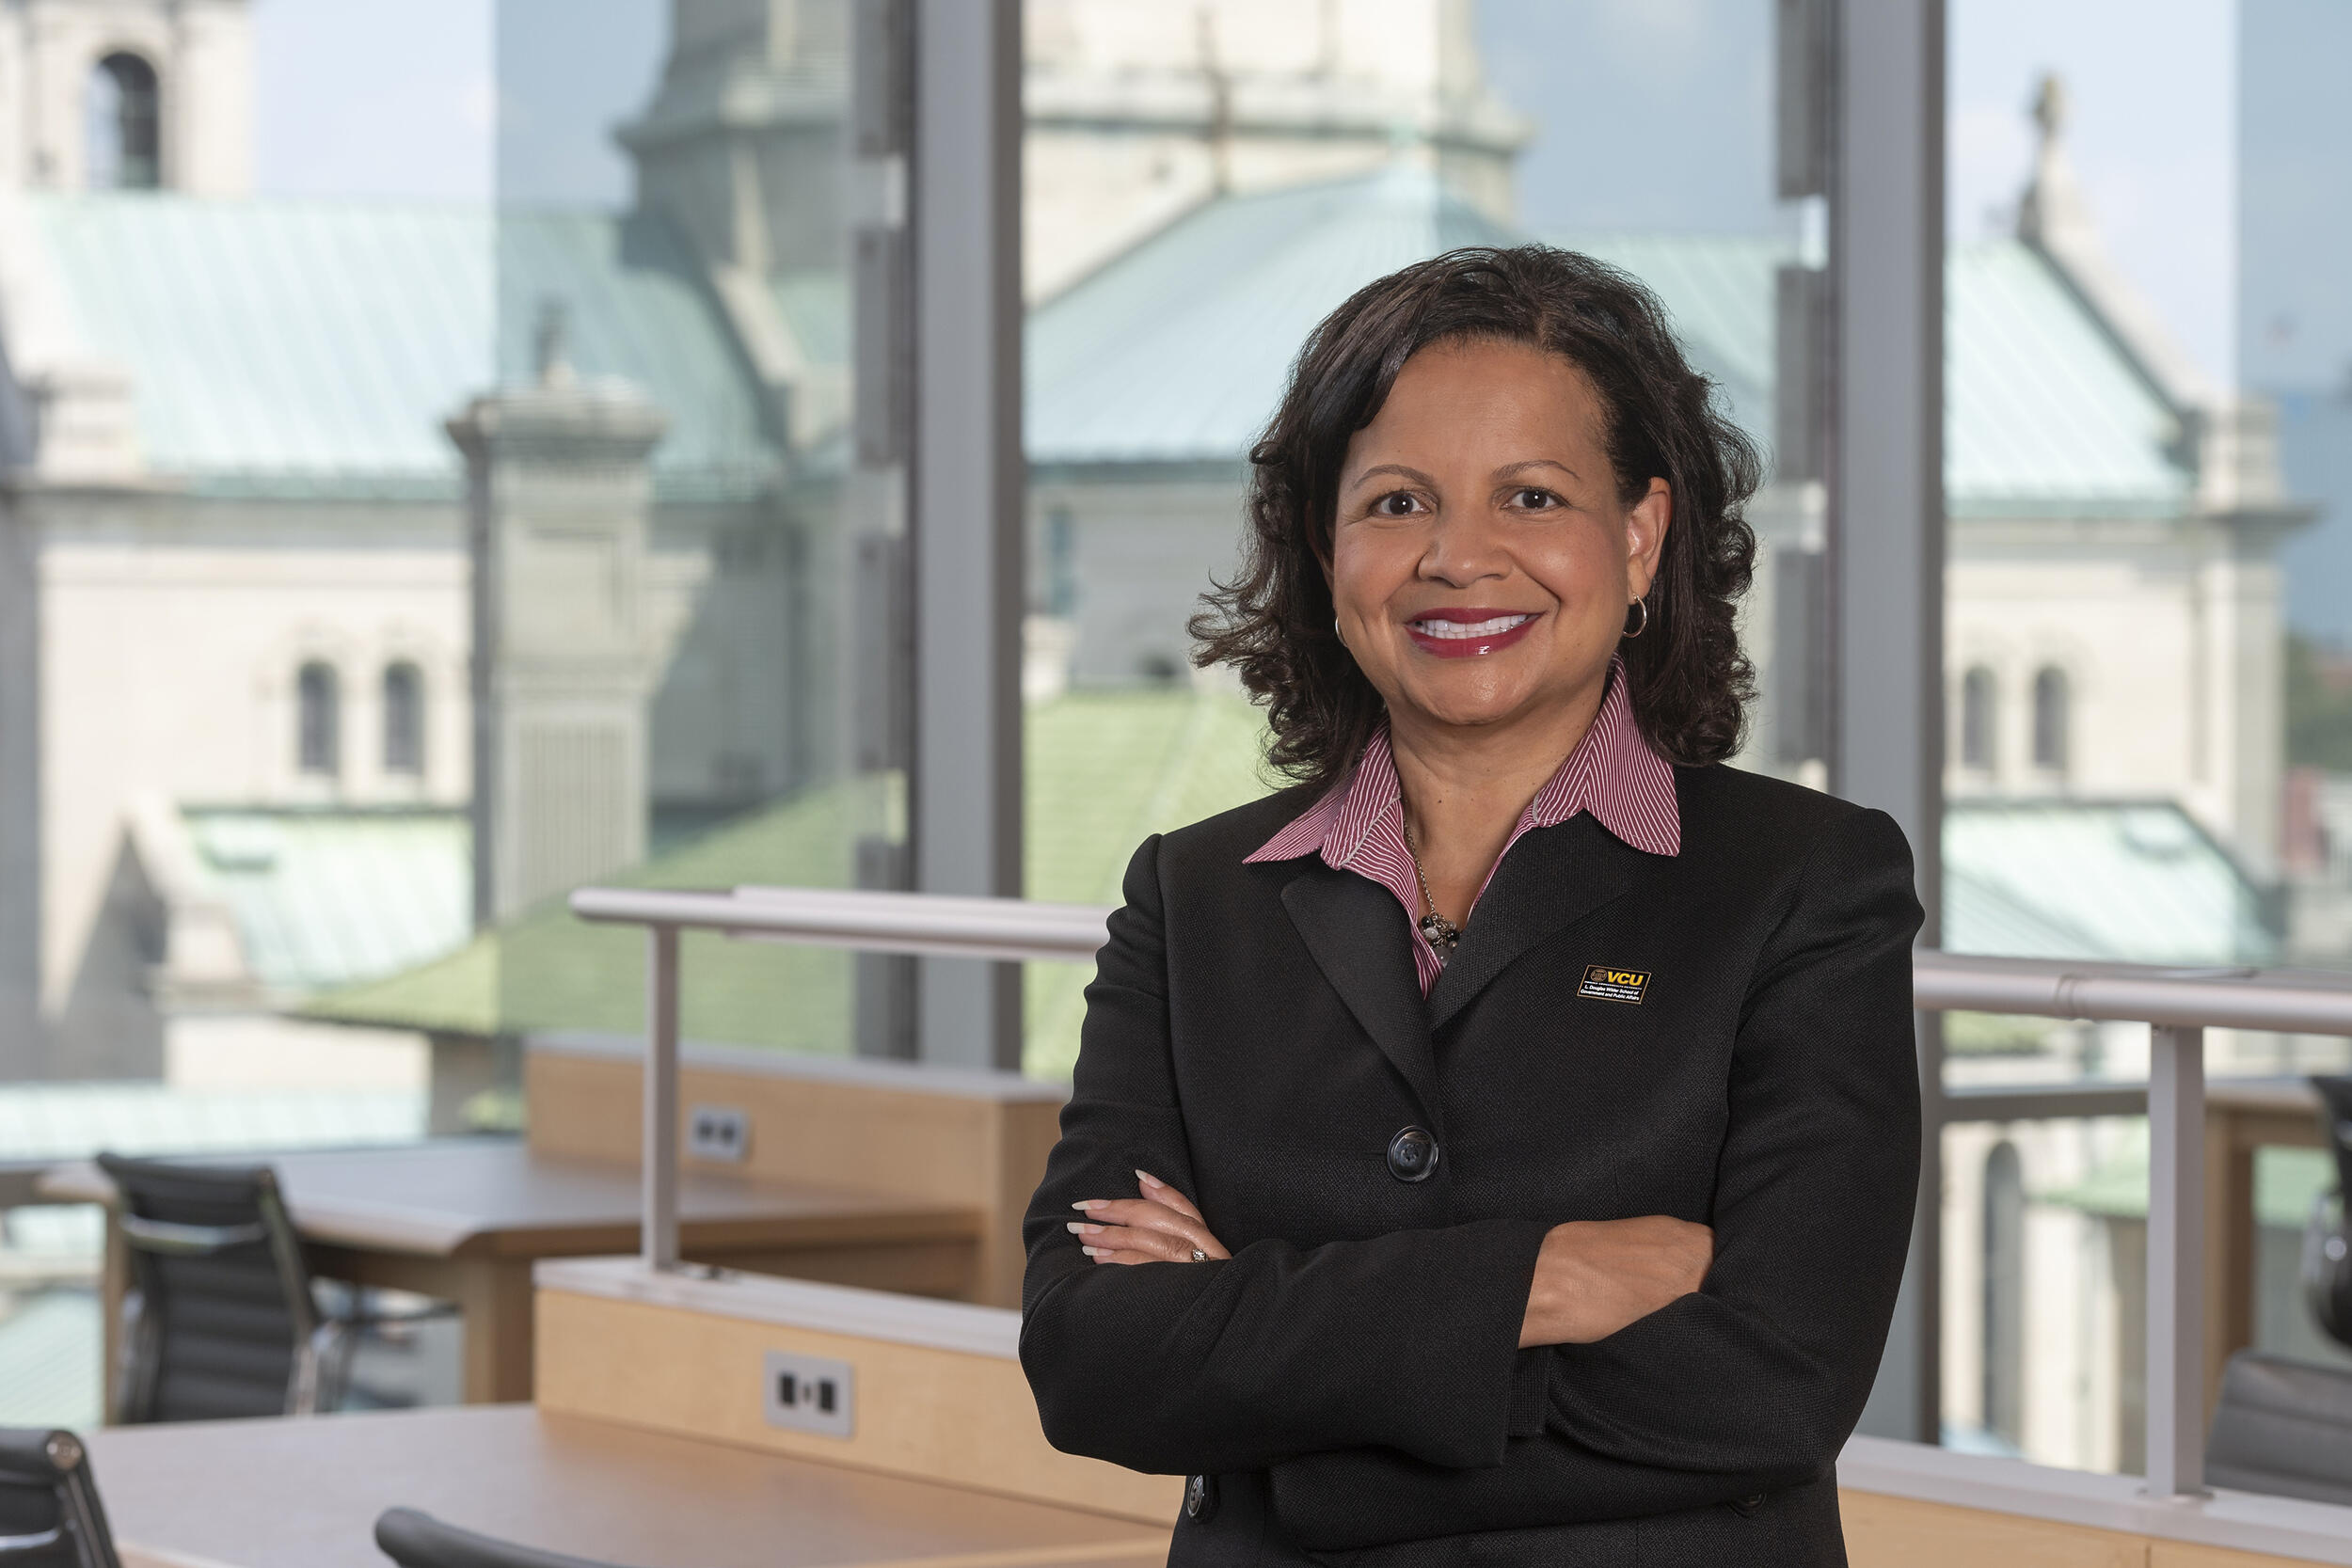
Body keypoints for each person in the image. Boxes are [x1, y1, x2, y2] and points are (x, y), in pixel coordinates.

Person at [1018, 245, 1922, 1567]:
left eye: (1533, 495)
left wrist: (1276, 1420)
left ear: (1638, 536)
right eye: (1395, 503)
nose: (1458, 558)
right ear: (1327, 552)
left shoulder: (1804, 886)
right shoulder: (1195, 898)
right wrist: (1536, 1283)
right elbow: (1090, 1356)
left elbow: (1773, 1387)